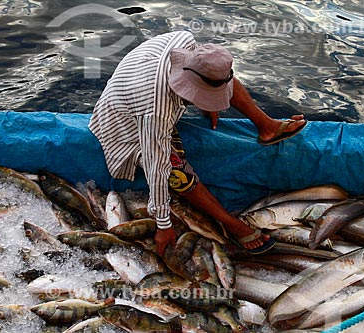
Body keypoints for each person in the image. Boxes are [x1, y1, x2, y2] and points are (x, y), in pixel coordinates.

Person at [89, 30, 307, 256]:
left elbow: (211, 77)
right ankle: (230, 224)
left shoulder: (185, 41)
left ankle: (267, 126)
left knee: (224, 80)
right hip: (124, 124)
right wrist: (164, 225)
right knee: (177, 171)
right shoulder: (156, 110)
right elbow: (158, 168)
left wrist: (209, 102)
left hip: (148, 93)